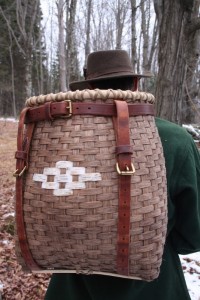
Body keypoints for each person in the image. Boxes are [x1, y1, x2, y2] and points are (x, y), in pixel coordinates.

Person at [45, 50, 200, 300]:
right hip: (154, 287)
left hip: (71, 286)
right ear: (136, 83)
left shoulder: (57, 139)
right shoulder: (175, 140)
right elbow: (192, 236)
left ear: (90, 86)